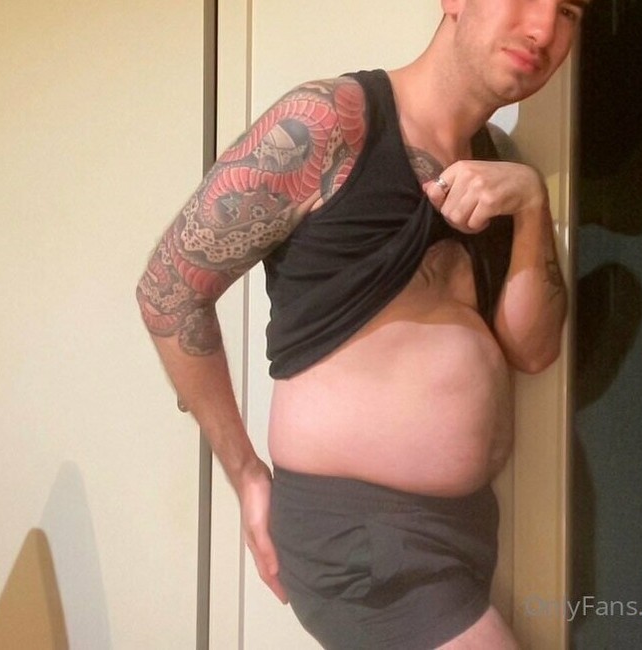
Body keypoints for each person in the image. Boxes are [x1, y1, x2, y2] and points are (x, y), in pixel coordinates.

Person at [137, 1, 586, 647]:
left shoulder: (492, 163)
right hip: (363, 542)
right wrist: (246, 475)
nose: (543, 29)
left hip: (458, 533)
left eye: (568, 11)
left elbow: (533, 350)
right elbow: (168, 290)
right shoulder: (328, 124)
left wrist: (532, 202)